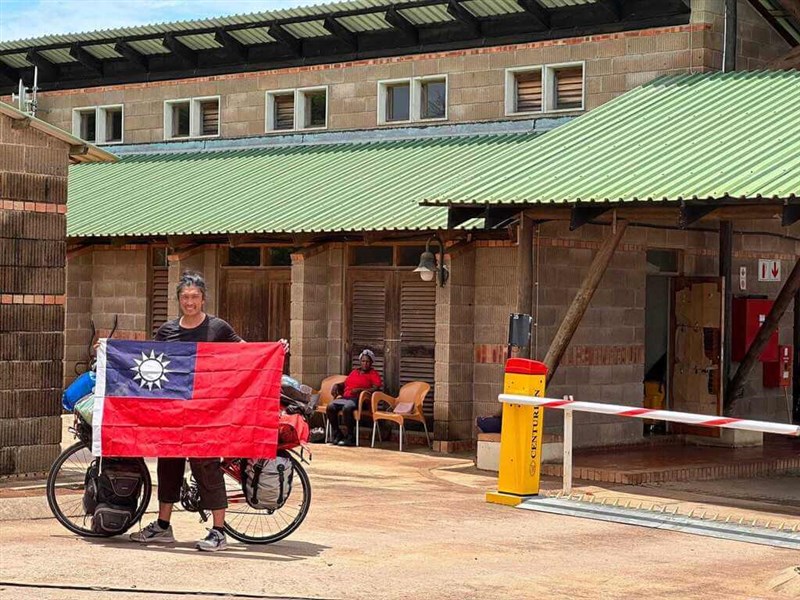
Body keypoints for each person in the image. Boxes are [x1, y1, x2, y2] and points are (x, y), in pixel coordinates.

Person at [129, 271, 242, 552]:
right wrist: (107, 351)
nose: (189, 302)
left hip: (206, 412)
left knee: (206, 465)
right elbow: (148, 364)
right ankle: (163, 526)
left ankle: (218, 531)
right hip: (173, 412)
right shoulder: (167, 331)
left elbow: (246, 353)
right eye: (184, 297)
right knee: (168, 464)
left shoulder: (218, 328)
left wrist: (276, 349)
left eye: (194, 297)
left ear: (203, 299)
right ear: (178, 299)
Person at [326, 349, 382, 447]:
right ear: (360, 361)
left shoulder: (373, 374)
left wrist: (360, 390)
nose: (365, 364)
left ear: (371, 363)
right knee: (330, 407)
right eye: (363, 361)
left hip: (361, 400)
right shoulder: (354, 372)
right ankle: (337, 434)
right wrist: (337, 385)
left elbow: (376, 388)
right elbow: (345, 383)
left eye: (367, 361)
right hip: (346, 397)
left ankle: (350, 437)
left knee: (347, 407)